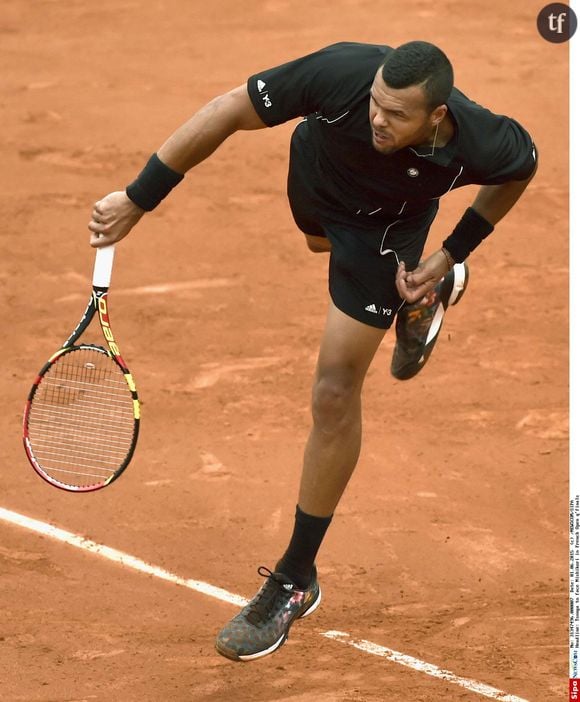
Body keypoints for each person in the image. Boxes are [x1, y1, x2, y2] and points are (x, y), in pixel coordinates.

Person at [88, 41, 537, 662]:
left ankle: (294, 578)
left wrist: (451, 251)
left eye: (396, 114)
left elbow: (522, 169)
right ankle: (423, 298)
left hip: (387, 227)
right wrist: (139, 197)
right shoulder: (341, 77)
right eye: (376, 103)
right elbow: (226, 110)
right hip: (319, 185)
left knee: (333, 390)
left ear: (436, 116)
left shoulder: (482, 140)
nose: (378, 118)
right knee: (317, 247)